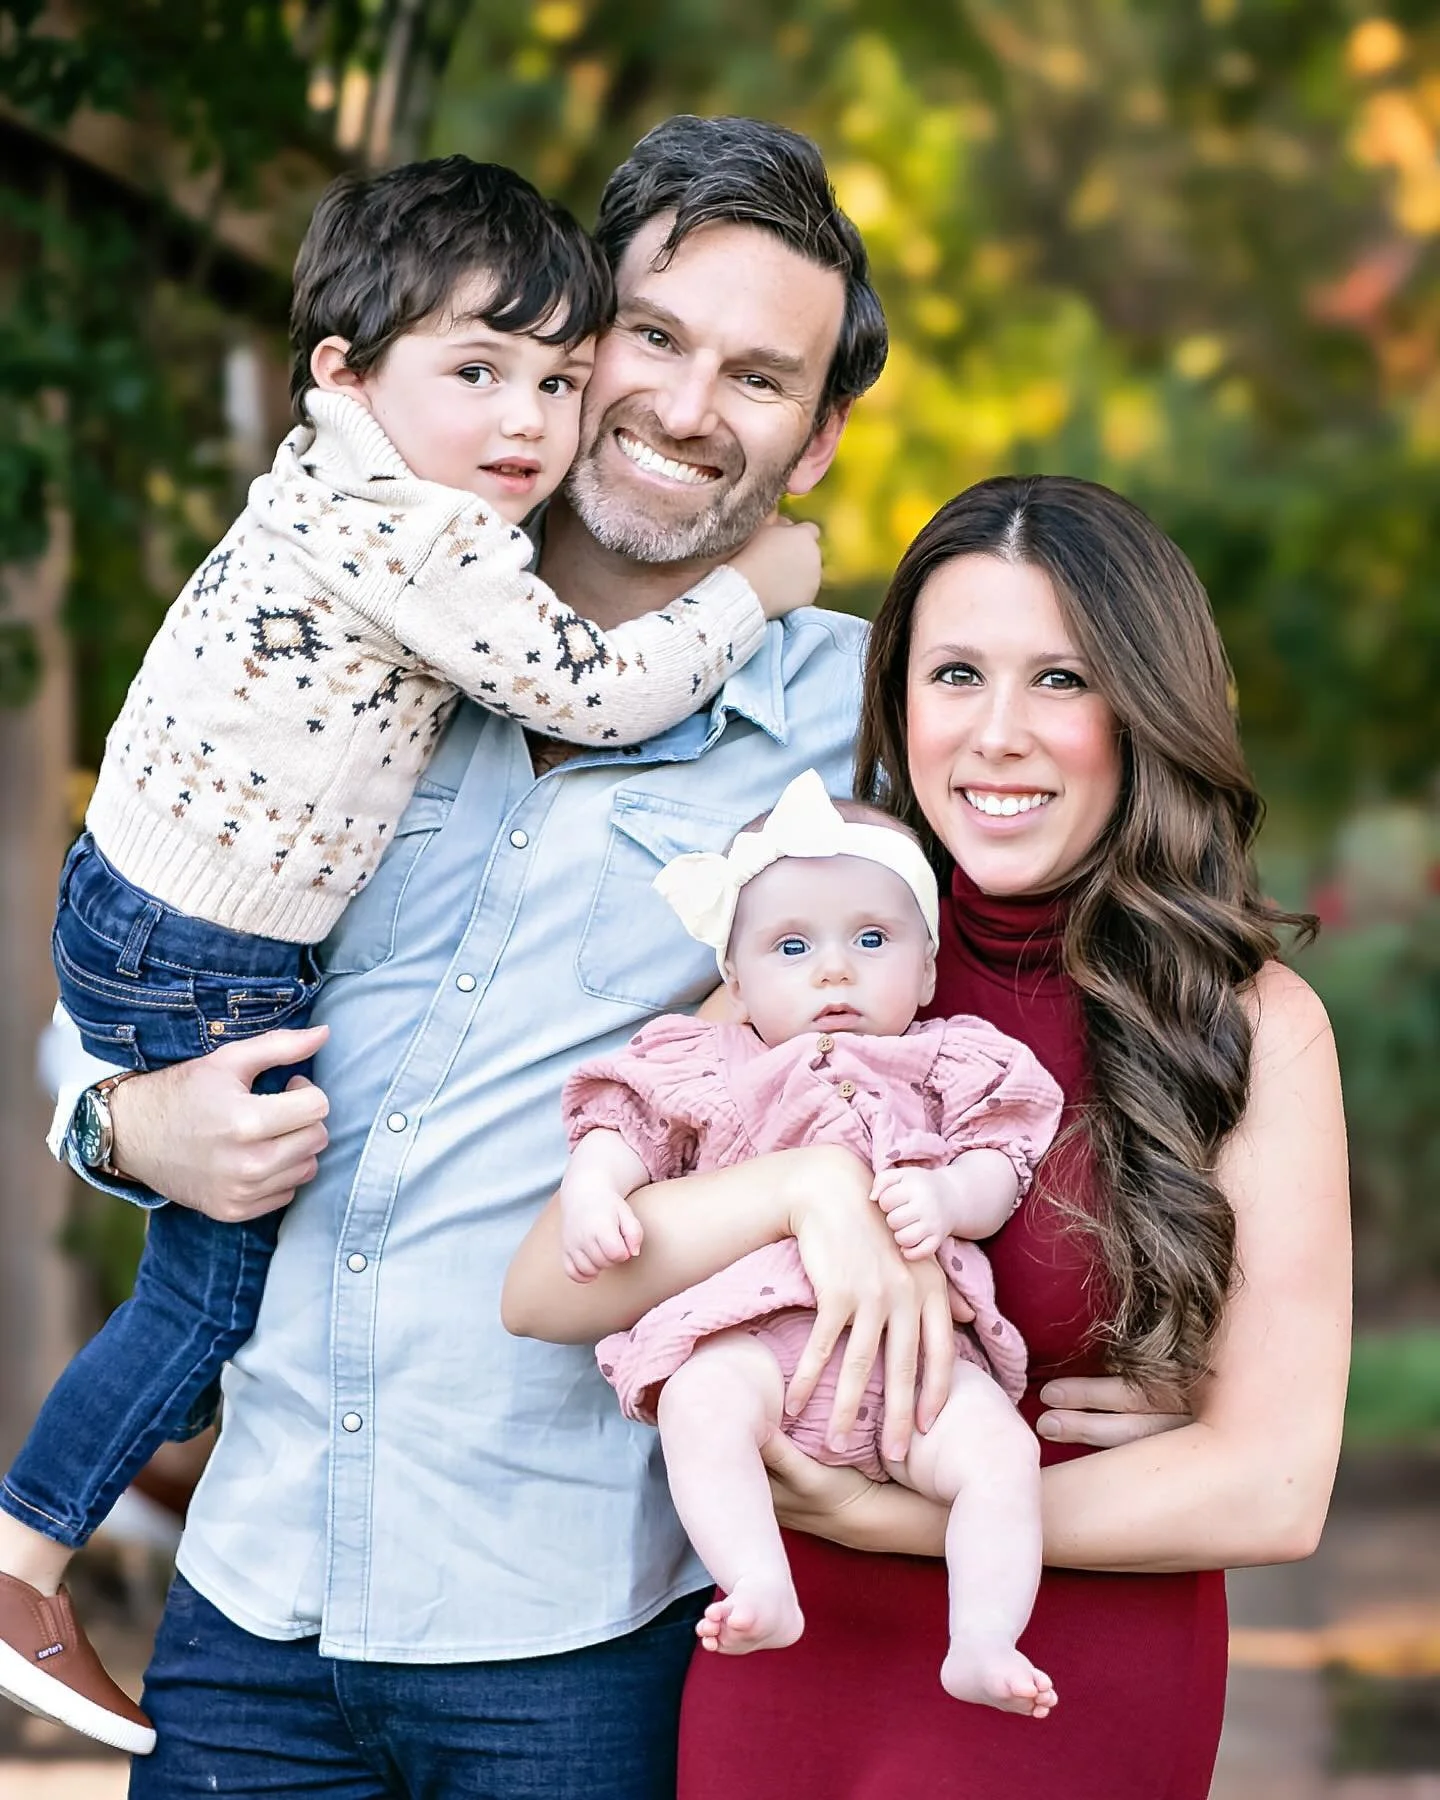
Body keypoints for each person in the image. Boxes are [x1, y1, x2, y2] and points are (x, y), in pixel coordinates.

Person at [33, 113, 930, 1799]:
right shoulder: (332, 619)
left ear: (816, 442)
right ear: (570, 342)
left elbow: (1058, 989)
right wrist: (126, 1129)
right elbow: (126, 988)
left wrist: (1129, 1360)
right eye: (652, 338)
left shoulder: (864, 721)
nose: (686, 405)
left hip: (576, 1630)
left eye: (758, 377)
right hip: (253, 1600)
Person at [504, 473, 1352, 1798]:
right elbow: (549, 1289)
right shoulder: (836, 964)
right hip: (786, 1653)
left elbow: (1272, 1490)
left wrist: (889, 1519)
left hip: (1056, 1670)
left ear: (1145, 708)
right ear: (899, 701)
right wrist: (807, 1190)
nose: (998, 735)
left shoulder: (1244, 1023)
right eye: (956, 674)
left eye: (1061, 680)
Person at [556, 768, 1065, 1715]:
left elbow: (1004, 1157)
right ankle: (758, 1579)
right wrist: (593, 1193)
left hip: (917, 1367)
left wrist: (949, 1195)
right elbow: (625, 1126)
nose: (835, 970)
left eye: (871, 940)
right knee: (699, 1403)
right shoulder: (712, 1061)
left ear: (926, 970)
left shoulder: (949, 1057)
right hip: (756, 1342)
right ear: (736, 980)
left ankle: (983, 1637)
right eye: (792, 947)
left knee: (1001, 1455)